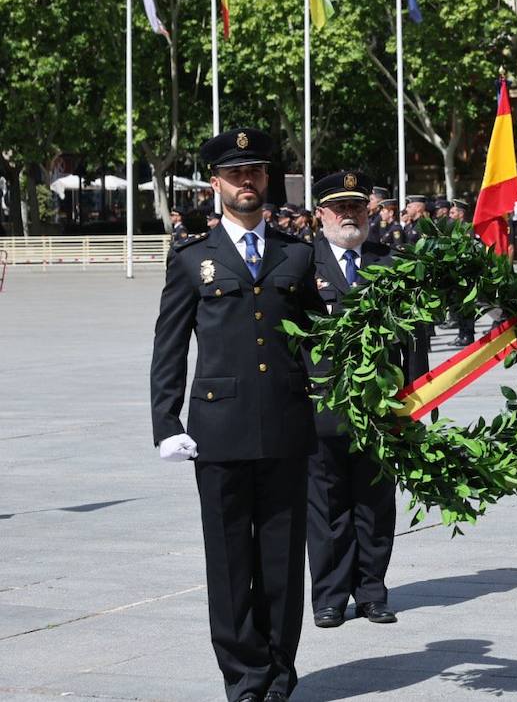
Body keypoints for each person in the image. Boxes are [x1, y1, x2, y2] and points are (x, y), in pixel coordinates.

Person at [150, 127, 327, 702]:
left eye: (255, 172)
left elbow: (318, 339)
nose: (247, 182)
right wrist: (165, 423)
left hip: (284, 424)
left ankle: (279, 670)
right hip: (218, 429)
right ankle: (244, 677)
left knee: (280, 558)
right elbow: (170, 345)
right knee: (228, 562)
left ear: (267, 179)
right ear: (215, 184)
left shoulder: (296, 253)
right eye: (235, 174)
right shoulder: (192, 257)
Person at [305, 171, 424, 631]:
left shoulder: (390, 262)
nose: (349, 214)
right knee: (327, 506)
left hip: (381, 407)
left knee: (375, 503)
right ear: (321, 215)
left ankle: (372, 591)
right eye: (339, 207)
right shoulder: (303, 263)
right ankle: (330, 596)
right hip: (323, 406)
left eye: (356, 205)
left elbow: (414, 337)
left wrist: (417, 399)